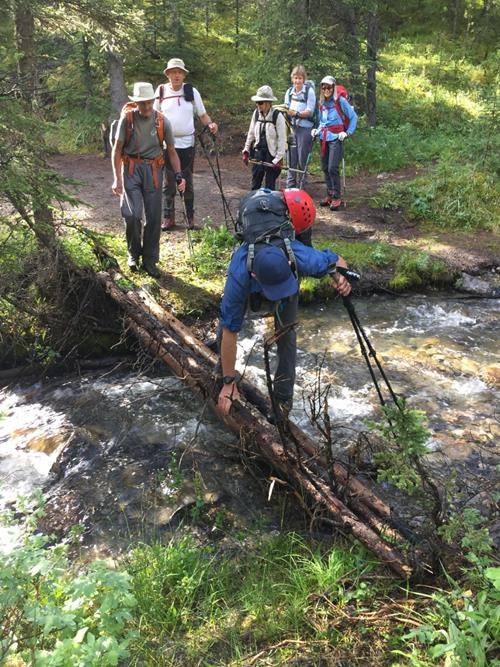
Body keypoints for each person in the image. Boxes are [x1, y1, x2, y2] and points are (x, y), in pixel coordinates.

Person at [217, 188, 352, 418]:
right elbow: (231, 330)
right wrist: (229, 382)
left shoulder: (299, 256)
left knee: (286, 334)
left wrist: (342, 276)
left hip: (286, 267)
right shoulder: (240, 272)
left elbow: (336, 260)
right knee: (226, 323)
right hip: (249, 274)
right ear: (255, 278)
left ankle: (282, 401)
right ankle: (222, 373)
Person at [111, 82, 186, 278]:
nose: (146, 107)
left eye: (149, 103)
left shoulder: (162, 122)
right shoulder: (126, 120)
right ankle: (133, 254)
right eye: (142, 103)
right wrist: (116, 178)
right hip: (131, 169)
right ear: (135, 103)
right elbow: (117, 150)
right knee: (133, 215)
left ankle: (150, 260)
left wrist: (179, 176)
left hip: (153, 171)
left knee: (153, 218)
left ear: (153, 101)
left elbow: (171, 151)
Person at [153, 58, 218, 230]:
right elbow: (154, 117)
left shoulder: (191, 91)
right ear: (168, 74)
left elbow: (202, 114)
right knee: (168, 183)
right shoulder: (160, 91)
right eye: (173, 72)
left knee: (187, 180)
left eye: (179, 72)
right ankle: (168, 218)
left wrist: (210, 124)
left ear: (183, 74)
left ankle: (190, 218)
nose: (176, 75)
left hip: (187, 144)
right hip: (166, 145)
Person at [312, 75, 357, 211]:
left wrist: (347, 132)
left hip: (337, 137)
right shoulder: (322, 104)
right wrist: (316, 130)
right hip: (324, 137)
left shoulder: (340, 101)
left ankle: (337, 196)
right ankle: (330, 194)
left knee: (332, 167)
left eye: (329, 87)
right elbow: (322, 122)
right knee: (325, 167)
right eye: (324, 87)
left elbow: (353, 117)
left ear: (333, 88)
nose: (326, 90)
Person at [242, 86, 287, 191]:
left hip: (272, 155)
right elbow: (251, 133)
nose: (258, 105)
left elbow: (282, 139)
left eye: (260, 102)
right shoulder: (256, 114)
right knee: (255, 182)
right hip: (258, 152)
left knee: (269, 186)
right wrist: (246, 150)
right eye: (257, 102)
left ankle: (269, 206)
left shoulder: (277, 116)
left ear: (268, 103)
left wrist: (278, 159)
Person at [283, 65, 316, 189]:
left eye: (300, 78)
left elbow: (310, 111)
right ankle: (290, 187)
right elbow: (286, 107)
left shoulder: (309, 92)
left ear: (304, 79)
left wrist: (296, 113)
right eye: (295, 78)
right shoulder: (289, 92)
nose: (297, 81)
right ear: (292, 79)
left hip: (305, 129)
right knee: (291, 159)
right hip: (292, 129)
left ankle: (302, 188)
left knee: (302, 159)